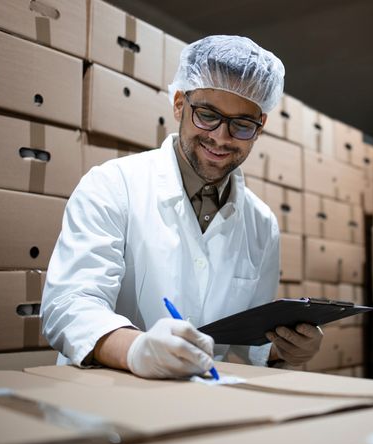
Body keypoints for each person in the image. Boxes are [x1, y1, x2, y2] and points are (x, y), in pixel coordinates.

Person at [41, 35, 323, 379]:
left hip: (198, 403)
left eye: (242, 125)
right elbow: (69, 306)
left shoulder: (262, 224)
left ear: (259, 127)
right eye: (207, 115)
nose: (221, 137)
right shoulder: (112, 185)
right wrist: (135, 349)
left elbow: (249, 338)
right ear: (179, 104)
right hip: (104, 395)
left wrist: (285, 349)